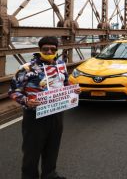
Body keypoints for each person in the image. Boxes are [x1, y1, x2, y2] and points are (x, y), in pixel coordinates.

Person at [8, 36, 81, 179]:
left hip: (56, 113)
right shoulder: (26, 68)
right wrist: (26, 100)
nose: (49, 51)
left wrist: (73, 90)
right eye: (45, 49)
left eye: (53, 49)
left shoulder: (60, 65)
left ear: (56, 50)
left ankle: (50, 174)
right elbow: (13, 91)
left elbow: (65, 84)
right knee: (32, 151)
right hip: (35, 116)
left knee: (52, 148)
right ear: (39, 49)